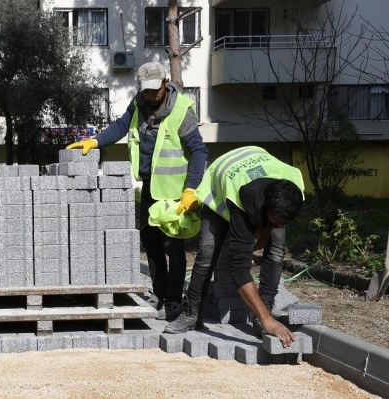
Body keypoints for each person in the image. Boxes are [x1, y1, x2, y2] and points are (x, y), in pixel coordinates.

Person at [67, 61, 207, 320]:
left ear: (165, 83)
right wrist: (95, 141)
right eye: (146, 91)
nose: (151, 96)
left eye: (155, 90)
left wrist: (191, 190)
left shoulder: (181, 112)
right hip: (151, 188)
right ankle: (161, 294)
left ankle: (175, 301)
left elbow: (199, 152)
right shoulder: (139, 104)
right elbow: (121, 126)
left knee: (173, 248)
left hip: (176, 193)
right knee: (151, 242)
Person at [164, 146, 304, 348]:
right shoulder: (242, 196)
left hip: (259, 169)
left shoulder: (293, 184)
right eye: (273, 221)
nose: (278, 226)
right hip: (220, 185)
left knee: (276, 248)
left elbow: (272, 228)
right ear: (264, 209)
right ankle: (191, 313)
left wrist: (268, 230)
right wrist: (268, 319)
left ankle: (263, 309)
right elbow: (238, 268)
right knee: (207, 251)